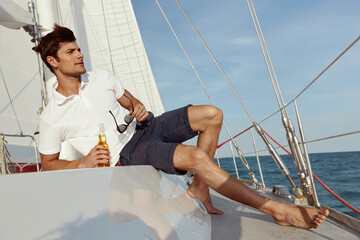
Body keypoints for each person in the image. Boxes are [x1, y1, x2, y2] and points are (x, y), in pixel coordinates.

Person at [34, 24, 328, 229]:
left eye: (78, 48)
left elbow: (129, 100)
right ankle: (277, 209)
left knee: (212, 114)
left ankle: (200, 190)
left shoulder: (100, 77)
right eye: (71, 52)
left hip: (147, 127)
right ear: (53, 61)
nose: (80, 54)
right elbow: (47, 165)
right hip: (127, 154)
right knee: (196, 158)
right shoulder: (51, 116)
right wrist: (83, 162)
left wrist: (137, 106)